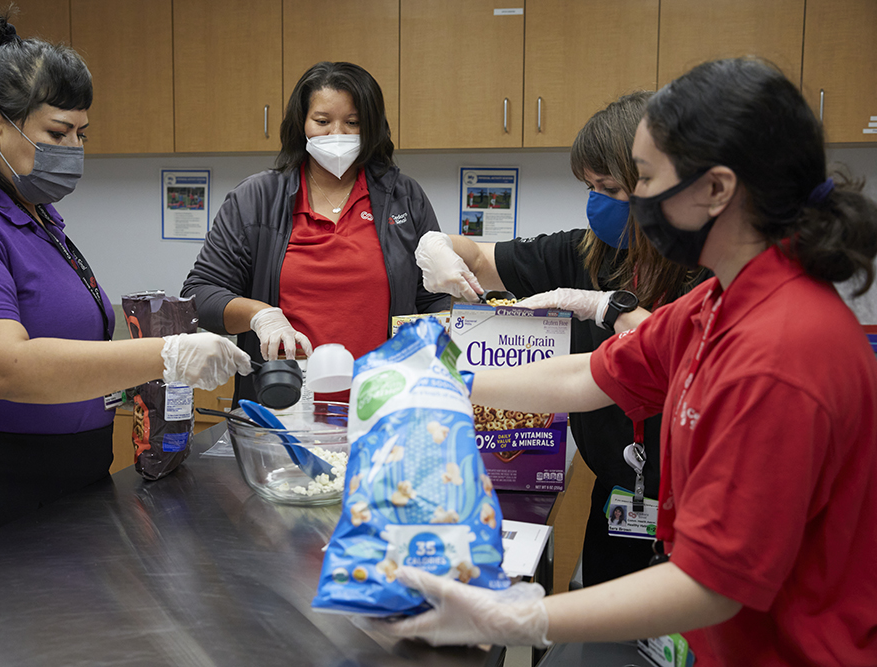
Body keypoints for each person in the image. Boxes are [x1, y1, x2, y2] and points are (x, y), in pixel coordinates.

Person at [365, 57, 877, 665]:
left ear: (715, 189)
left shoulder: (783, 353)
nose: (634, 203)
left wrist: (513, 613)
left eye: (643, 180)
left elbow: (710, 585)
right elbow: (591, 375)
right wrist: (446, 380)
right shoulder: (718, 302)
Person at [0, 12, 251, 585]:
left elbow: (75, 339)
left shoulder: (39, 219)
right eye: (57, 133)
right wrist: (167, 354)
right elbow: (6, 366)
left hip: (59, 490)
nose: (73, 149)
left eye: (81, 134)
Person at [416, 91, 707, 587]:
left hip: (698, 501)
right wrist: (439, 247)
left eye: (610, 186)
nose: (596, 199)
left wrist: (607, 307)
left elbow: (675, 360)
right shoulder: (586, 253)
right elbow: (482, 259)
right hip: (622, 496)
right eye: (589, 186)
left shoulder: (705, 269)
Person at [181, 61, 450, 404]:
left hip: (384, 406)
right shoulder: (257, 199)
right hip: (282, 405)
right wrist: (259, 315)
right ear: (302, 123)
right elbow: (198, 295)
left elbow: (434, 299)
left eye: (353, 123)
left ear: (372, 128)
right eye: (322, 121)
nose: (336, 133)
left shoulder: (404, 198)